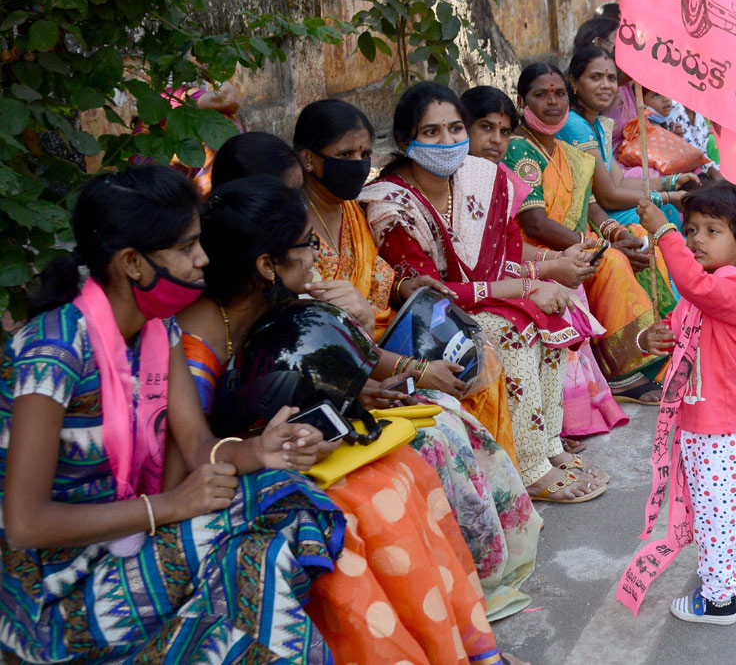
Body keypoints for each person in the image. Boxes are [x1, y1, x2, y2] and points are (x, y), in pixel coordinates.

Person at [0, 165, 343, 664]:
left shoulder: (161, 332)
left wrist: (262, 450)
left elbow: (199, 446)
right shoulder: (51, 353)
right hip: (54, 591)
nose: (203, 259)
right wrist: (168, 508)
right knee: (271, 525)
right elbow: (25, 525)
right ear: (133, 263)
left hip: (133, 545)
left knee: (268, 533)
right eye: (186, 248)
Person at [178, 177, 532, 657]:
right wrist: (270, 448)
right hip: (236, 477)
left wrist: (358, 392)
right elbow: (188, 456)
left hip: (290, 452)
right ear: (267, 265)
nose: (317, 257)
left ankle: (458, 644)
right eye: (307, 246)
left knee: (406, 467)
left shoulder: (282, 302)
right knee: (375, 504)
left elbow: (304, 377)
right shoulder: (197, 342)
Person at [359, 82, 610, 503]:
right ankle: (527, 467)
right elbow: (431, 294)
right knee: (512, 329)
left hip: (483, 297)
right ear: (405, 141)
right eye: (432, 132)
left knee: (545, 317)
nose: (449, 141)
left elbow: (504, 254)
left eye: (456, 129)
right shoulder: (391, 203)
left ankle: (547, 447)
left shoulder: (483, 179)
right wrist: (529, 284)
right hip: (428, 322)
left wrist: (542, 276)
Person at [625, 184, 736, 625]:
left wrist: (664, 233)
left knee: (711, 520)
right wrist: (649, 338)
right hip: (698, 426)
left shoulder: (735, 289)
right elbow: (676, 323)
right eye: (692, 229)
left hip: (721, 434)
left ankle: (717, 599)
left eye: (713, 230)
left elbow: (690, 280)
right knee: (719, 510)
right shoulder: (701, 291)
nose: (696, 239)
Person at [461, 85, 629, 444]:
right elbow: (503, 250)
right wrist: (549, 270)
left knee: (558, 307)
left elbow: (507, 249)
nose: (496, 140)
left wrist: (558, 260)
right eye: (485, 128)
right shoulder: (479, 174)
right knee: (535, 318)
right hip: (468, 292)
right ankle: (534, 446)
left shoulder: (498, 178)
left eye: (504, 131)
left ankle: (551, 434)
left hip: (508, 274)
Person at [502, 62, 673, 403]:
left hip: (573, 244)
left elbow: (592, 207)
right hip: (536, 250)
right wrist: (601, 247)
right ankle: (623, 369)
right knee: (609, 261)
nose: (552, 102)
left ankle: (662, 347)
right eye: (541, 95)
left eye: (558, 94)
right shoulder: (520, 149)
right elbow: (535, 223)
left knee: (639, 235)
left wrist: (616, 234)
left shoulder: (568, 153)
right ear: (523, 102)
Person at [558, 44, 699, 226]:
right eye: (595, 77)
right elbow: (608, 196)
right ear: (574, 81)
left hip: (606, 210)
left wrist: (672, 182)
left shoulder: (600, 125)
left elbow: (620, 182)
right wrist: (669, 196)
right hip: (587, 218)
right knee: (660, 213)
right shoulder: (574, 123)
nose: (605, 86)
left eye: (611, 78)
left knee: (663, 211)